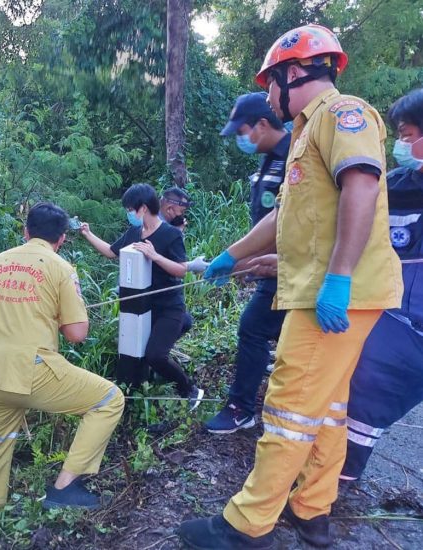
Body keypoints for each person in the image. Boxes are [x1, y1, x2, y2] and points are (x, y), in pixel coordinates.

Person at [177, 24, 402, 549]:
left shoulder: (342, 114)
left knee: (290, 403)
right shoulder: (306, 133)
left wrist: (340, 278)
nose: (268, 95)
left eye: (270, 83)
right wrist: (232, 254)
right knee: (326, 405)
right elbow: (284, 217)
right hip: (323, 290)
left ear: (292, 73)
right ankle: (311, 510)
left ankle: (247, 525)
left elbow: (362, 184)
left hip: (335, 292)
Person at [0, 202, 124, 510]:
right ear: (62, 238)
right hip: (31, 370)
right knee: (109, 400)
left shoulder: (0, 260)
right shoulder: (60, 267)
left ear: (26, 231)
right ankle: (64, 488)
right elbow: (76, 334)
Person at [341, 88, 423, 480]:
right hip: (387, 316)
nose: (402, 145)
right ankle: (339, 479)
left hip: (409, 327)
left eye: (408, 135)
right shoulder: (394, 186)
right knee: (364, 399)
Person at [203, 93, 290, 434]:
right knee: (270, 331)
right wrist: (241, 262)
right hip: (272, 266)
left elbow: (285, 223)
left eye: (243, 131)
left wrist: (236, 259)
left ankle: (240, 408)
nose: (241, 139)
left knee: (253, 326)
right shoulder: (268, 161)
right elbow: (263, 225)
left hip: (292, 267)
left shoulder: (296, 156)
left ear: (263, 125)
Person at [80, 183, 204, 407]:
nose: (129, 214)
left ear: (143, 208)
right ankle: (138, 392)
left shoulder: (170, 234)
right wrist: (88, 234)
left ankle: (190, 389)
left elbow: (181, 270)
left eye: (130, 209)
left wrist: (155, 256)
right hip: (143, 307)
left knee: (155, 356)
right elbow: (111, 252)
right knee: (137, 353)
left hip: (168, 306)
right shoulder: (134, 232)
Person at [159, 187, 207, 336]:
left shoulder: (169, 228)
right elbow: (163, 259)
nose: (182, 216)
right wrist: (191, 266)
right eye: (180, 213)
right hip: (155, 291)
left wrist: (178, 233)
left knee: (184, 321)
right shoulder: (154, 225)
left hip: (166, 288)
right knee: (183, 321)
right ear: (169, 209)